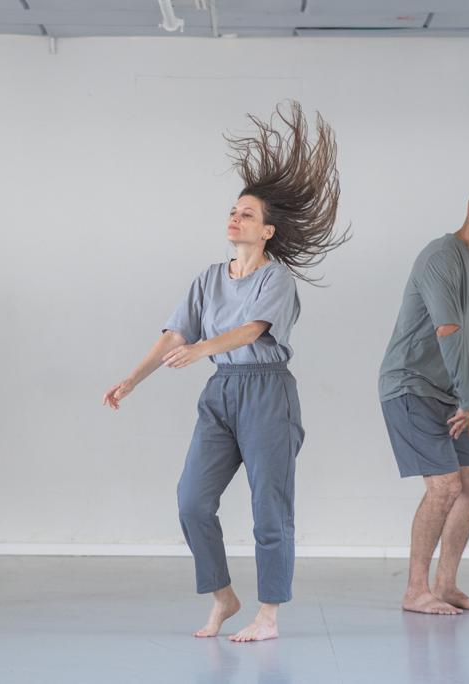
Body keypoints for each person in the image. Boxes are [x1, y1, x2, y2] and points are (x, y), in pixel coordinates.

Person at [104, 102, 348, 642]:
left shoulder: (277, 280)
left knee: (269, 509)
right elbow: (174, 334)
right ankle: (223, 597)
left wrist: (202, 349)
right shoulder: (209, 278)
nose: (235, 218)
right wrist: (132, 379)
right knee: (192, 501)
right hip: (221, 394)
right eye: (233, 211)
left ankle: (269, 615)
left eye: (247, 215)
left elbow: (253, 330)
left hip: (267, 394)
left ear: (267, 231)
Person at [378, 183, 469, 615]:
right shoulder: (439, 258)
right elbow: (449, 331)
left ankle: (445, 585)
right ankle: (415, 590)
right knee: (444, 486)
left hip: (451, 393)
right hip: (409, 385)